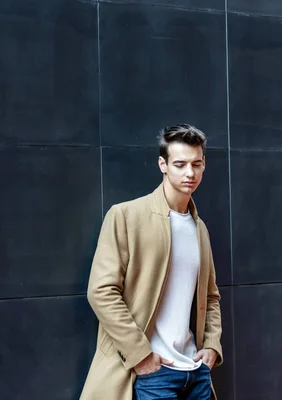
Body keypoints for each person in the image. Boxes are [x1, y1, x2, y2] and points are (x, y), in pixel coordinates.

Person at [80, 124, 223, 400]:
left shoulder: (199, 228)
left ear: (204, 164)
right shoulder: (125, 216)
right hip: (153, 373)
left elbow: (211, 296)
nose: (189, 173)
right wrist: (142, 356)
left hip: (195, 371)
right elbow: (101, 292)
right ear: (163, 164)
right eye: (180, 164)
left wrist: (212, 346)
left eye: (196, 164)